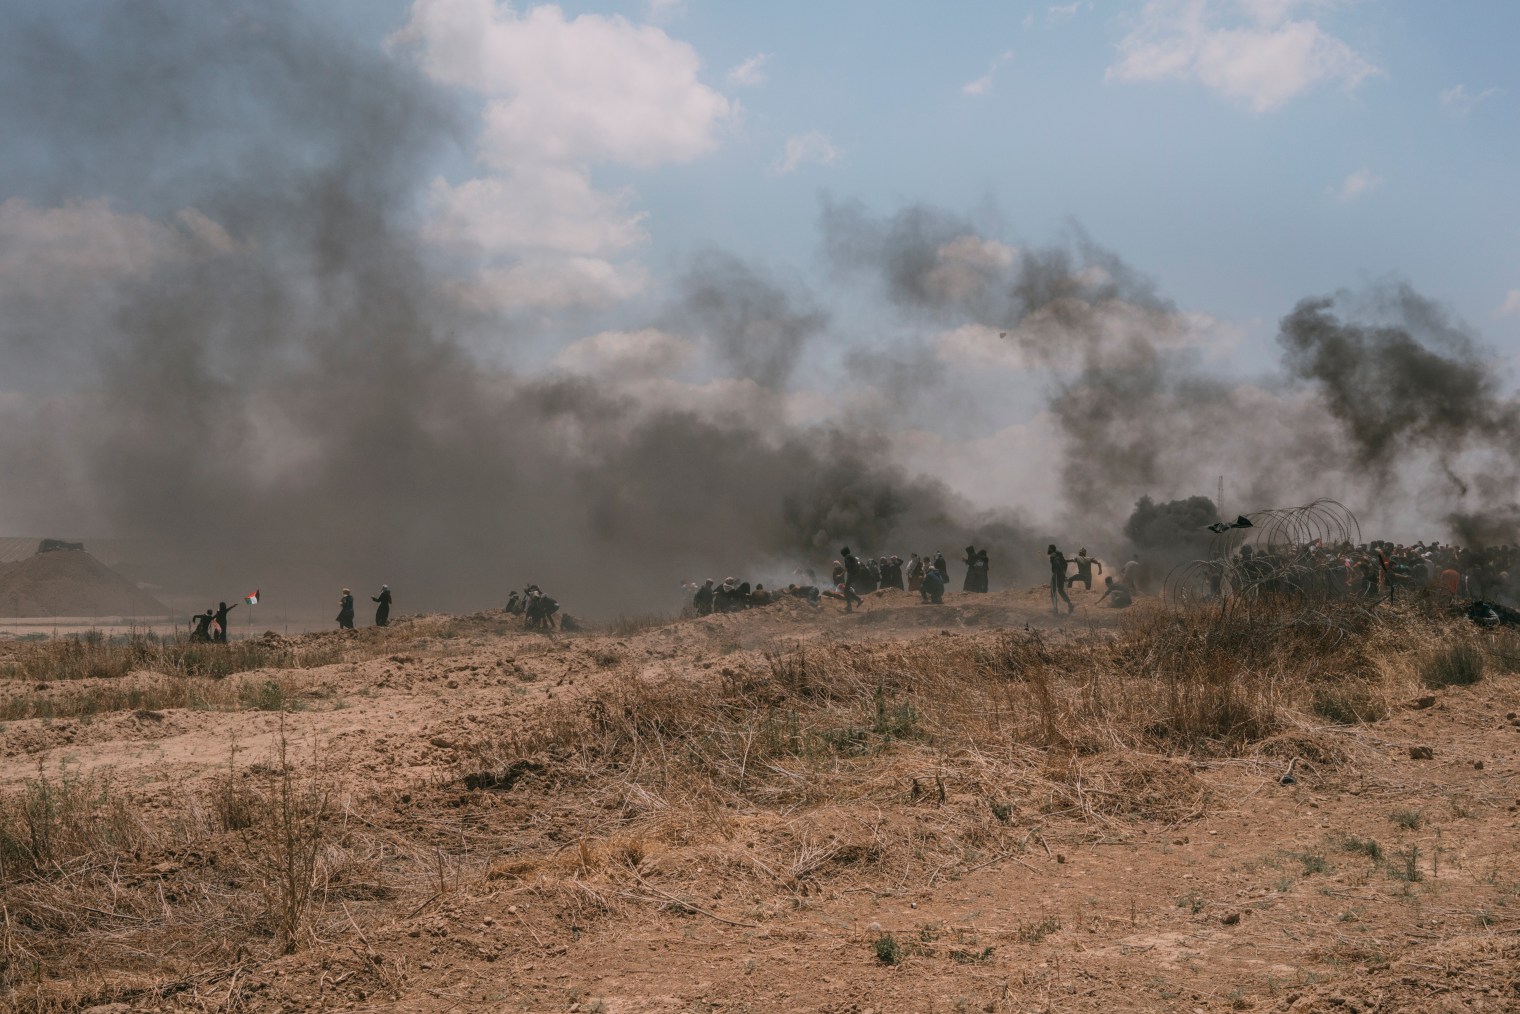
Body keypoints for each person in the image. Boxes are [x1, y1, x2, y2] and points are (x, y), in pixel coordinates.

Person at [1047, 545, 1074, 615]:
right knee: (1061, 590)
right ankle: (1070, 604)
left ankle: (1055, 608)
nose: (1048, 550)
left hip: (1056, 575)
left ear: (1051, 549)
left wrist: (1057, 572)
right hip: (1061, 575)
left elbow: (1058, 564)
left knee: (1053, 591)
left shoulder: (1053, 555)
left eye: (1049, 548)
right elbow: (1065, 564)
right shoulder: (1060, 556)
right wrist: (1063, 574)